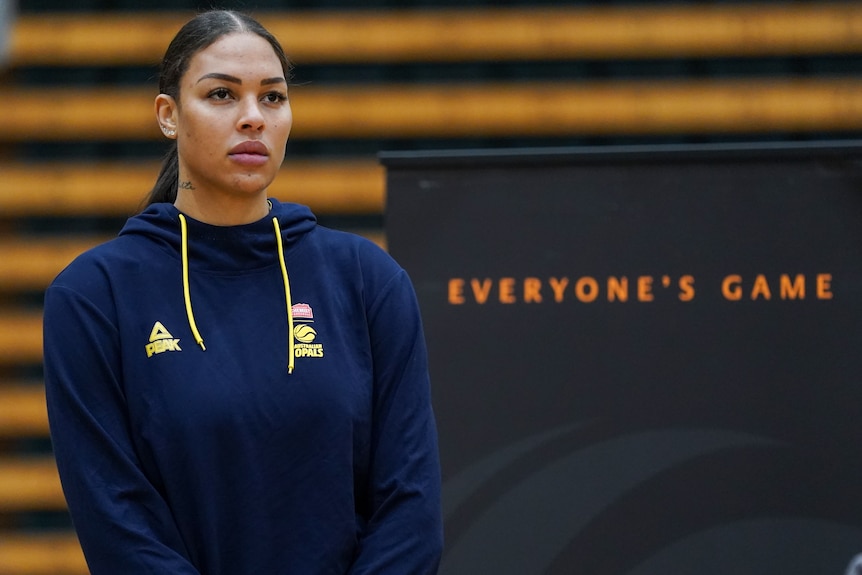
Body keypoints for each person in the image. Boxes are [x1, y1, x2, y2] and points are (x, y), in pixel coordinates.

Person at [42, 10, 443, 574]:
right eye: (222, 95)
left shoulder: (368, 280)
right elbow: (116, 520)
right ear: (168, 116)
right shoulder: (92, 295)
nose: (253, 118)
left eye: (272, 98)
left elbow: (411, 505)